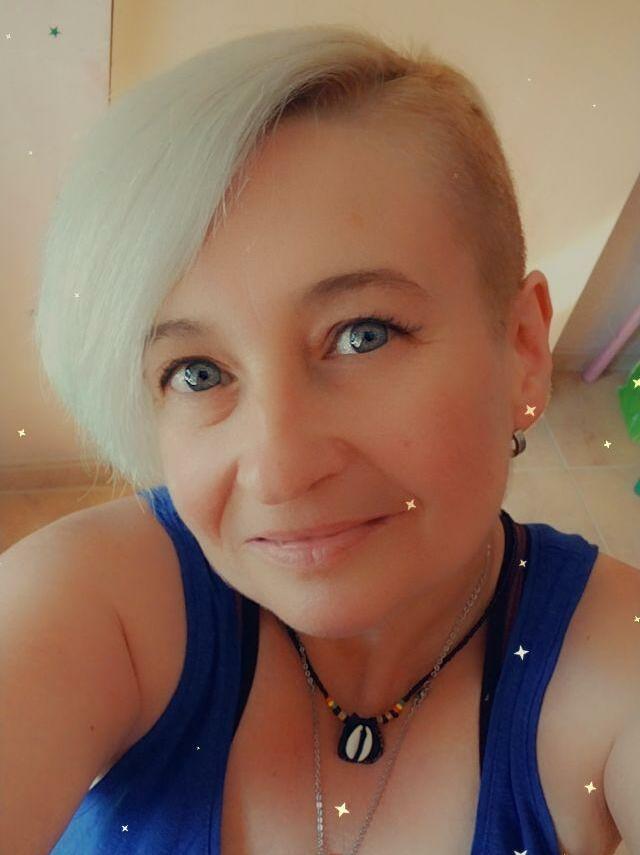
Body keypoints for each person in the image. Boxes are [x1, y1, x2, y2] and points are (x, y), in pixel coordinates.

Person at [24, 22, 633, 855]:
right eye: (197, 372)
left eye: (362, 335)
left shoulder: (616, 665)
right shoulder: (98, 604)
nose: (278, 471)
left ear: (523, 349)